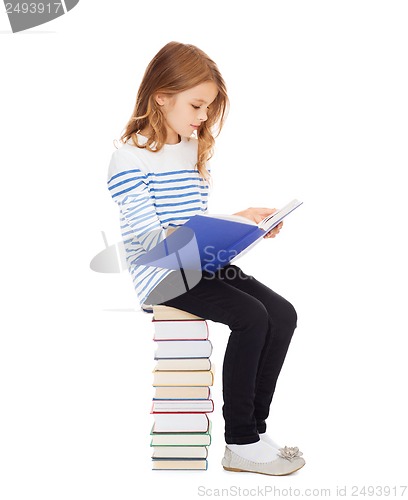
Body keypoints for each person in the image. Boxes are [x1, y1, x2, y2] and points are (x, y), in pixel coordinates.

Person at [107, 41, 305, 476]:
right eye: (197, 105)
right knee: (252, 317)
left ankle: (255, 428)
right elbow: (148, 237)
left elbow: (193, 220)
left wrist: (244, 221)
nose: (202, 117)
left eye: (208, 108)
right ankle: (239, 441)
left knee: (282, 314)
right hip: (161, 273)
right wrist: (212, 230)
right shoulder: (129, 158)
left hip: (202, 262)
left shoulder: (193, 147)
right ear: (161, 96)